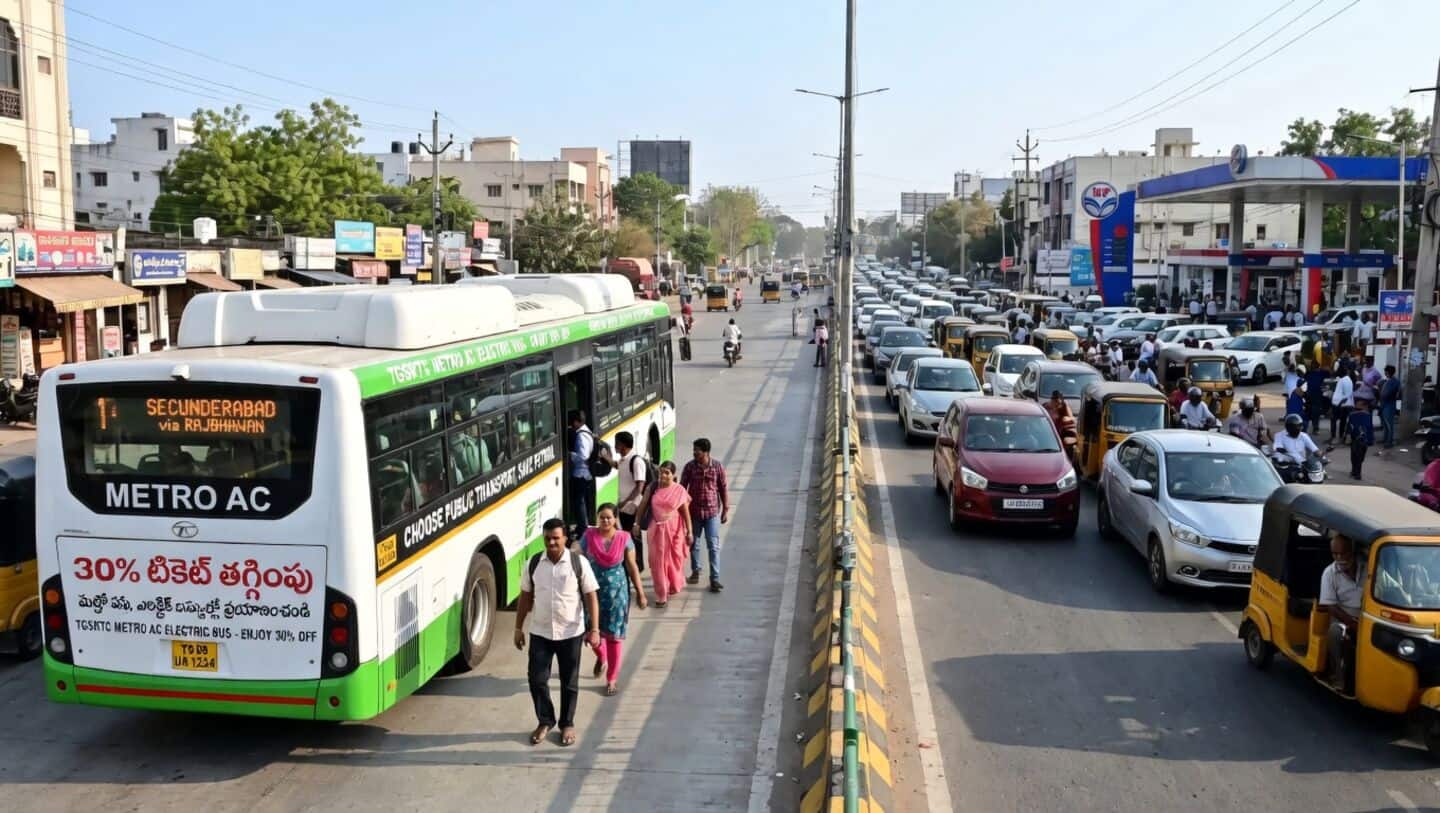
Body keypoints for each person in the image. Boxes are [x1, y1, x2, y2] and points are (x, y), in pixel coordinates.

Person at [515, 518, 600, 747]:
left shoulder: (578, 563)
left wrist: (594, 629)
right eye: (547, 538)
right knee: (536, 679)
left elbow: (591, 595)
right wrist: (518, 627)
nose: (552, 542)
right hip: (541, 632)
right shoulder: (533, 564)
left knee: (569, 681)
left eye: (556, 538)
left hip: (570, 632)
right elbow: (525, 596)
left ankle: (567, 723)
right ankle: (545, 720)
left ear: (565, 538)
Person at [579, 504, 646, 695]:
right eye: (602, 517)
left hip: (617, 594)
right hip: (593, 593)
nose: (605, 521)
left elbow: (632, 567)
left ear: (615, 518)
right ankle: (602, 657)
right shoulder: (589, 536)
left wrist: (640, 593)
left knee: (614, 637)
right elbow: (578, 558)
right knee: (592, 634)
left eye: (609, 517)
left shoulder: (624, 539)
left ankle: (612, 679)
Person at [637, 461, 692, 607]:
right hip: (655, 529)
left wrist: (689, 532)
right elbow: (642, 505)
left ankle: (673, 584)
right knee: (656, 562)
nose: (663, 475)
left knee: (673, 560)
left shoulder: (679, 490)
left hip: (674, 530)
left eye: (667, 472)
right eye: (661, 472)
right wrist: (636, 524)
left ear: (673, 475)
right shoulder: (653, 487)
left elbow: (685, 513)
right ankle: (661, 594)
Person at [680, 437, 730, 593]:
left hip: (712, 512)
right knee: (694, 543)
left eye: (698, 450)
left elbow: (723, 488)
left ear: (706, 452)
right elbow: (682, 489)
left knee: (713, 546)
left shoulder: (717, 467)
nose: (695, 453)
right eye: (694, 450)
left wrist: (725, 510)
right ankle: (696, 571)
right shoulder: (689, 467)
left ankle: (714, 579)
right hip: (694, 512)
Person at [1319, 534, 1363, 692]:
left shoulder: (1367, 566)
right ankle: (1338, 676)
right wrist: (1353, 624)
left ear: (1352, 551)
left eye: (1342, 553)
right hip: (1343, 617)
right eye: (1334, 554)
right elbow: (1331, 607)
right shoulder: (1329, 574)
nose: (1339, 558)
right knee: (1335, 633)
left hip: (1369, 615)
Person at [614, 432, 650, 570]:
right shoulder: (624, 460)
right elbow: (616, 465)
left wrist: (626, 502)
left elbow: (639, 486)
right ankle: (631, 562)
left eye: (616, 443)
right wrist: (605, 457)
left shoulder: (636, 461)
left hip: (632, 507)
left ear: (623, 445)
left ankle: (638, 564)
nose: (615, 445)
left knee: (634, 536)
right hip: (625, 507)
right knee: (626, 534)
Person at [567, 411, 597, 534]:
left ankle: (583, 527)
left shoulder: (581, 435)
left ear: (576, 422)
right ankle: (583, 526)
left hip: (581, 473)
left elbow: (583, 456)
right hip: (585, 473)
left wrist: (570, 455)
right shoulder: (586, 431)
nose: (571, 425)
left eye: (572, 422)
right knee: (581, 500)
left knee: (579, 502)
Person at [1346, 393, 1374, 480]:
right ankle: (1357, 473)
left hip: (1357, 439)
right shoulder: (1367, 415)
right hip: (1361, 439)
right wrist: (1370, 440)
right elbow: (1370, 428)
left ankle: (1355, 471)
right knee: (1359, 457)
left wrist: (1347, 437)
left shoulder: (1353, 415)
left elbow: (1349, 427)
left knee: (1355, 456)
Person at [1379, 364, 1401, 449]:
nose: (1385, 373)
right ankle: (1386, 440)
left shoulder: (1393, 381)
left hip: (1389, 404)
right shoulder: (1390, 380)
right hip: (1386, 403)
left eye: (1386, 371)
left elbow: (1387, 393)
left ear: (1388, 372)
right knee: (1386, 424)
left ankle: (1389, 441)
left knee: (1389, 424)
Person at [1330, 368, 1355, 444]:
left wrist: (1340, 403)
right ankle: (1342, 437)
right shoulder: (1346, 380)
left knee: (1335, 420)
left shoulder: (1344, 380)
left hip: (1342, 404)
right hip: (1345, 404)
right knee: (1344, 421)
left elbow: (1346, 395)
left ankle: (1336, 437)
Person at [1305, 363, 1329, 434]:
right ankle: (1315, 428)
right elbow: (1328, 373)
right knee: (1315, 412)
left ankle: (1305, 428)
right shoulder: (1322, 373)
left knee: (1308, 411)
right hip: (1318, 395)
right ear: (1319, 367)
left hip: (1309, 395)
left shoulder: (1308, 374)